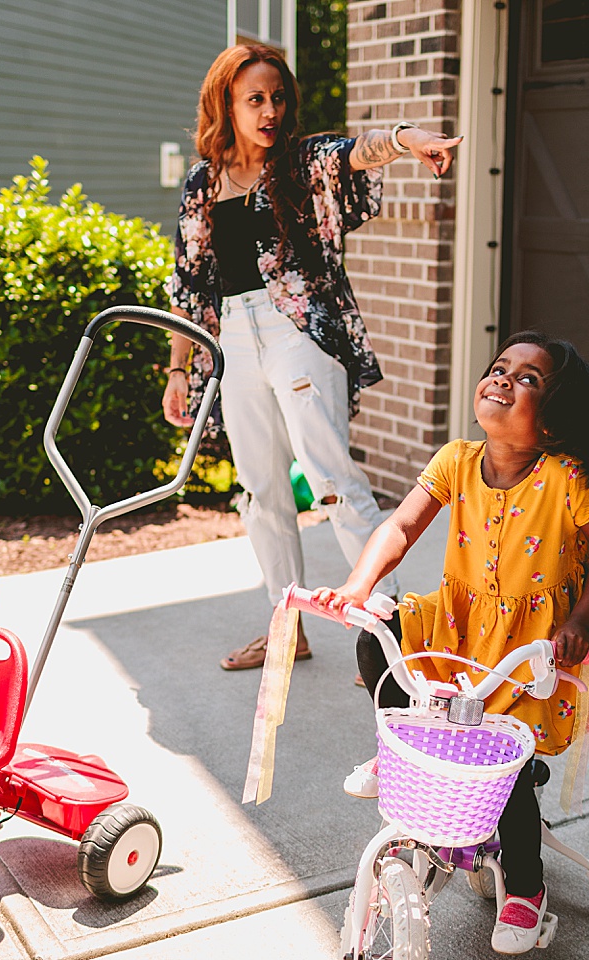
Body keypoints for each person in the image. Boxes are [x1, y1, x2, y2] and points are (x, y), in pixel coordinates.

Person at [312, 334, 589, 955]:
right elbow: (401, 525)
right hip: (459, 629)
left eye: (529, 379)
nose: (503, 380)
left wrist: (581, 622)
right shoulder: (456, 460)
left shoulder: (565, 480)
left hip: (531, 649)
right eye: (498, 368)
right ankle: (403, 740)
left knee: (502, 767)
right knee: (380, 635)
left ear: (554, 420)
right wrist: (356, 587)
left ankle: (527, 896)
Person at [160, 44, 462, 673]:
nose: (270, 110)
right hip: (231, 344)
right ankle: (286, 627)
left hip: (298, 332)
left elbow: (356, 150)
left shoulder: (298, 163)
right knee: (260, 491)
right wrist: (179, 369)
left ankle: (389, 636)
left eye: (278, 97)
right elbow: (188, 283)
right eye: (255, 99)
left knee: (332, 483)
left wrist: (408, 139)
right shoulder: (202, 182)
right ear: (227, 105)